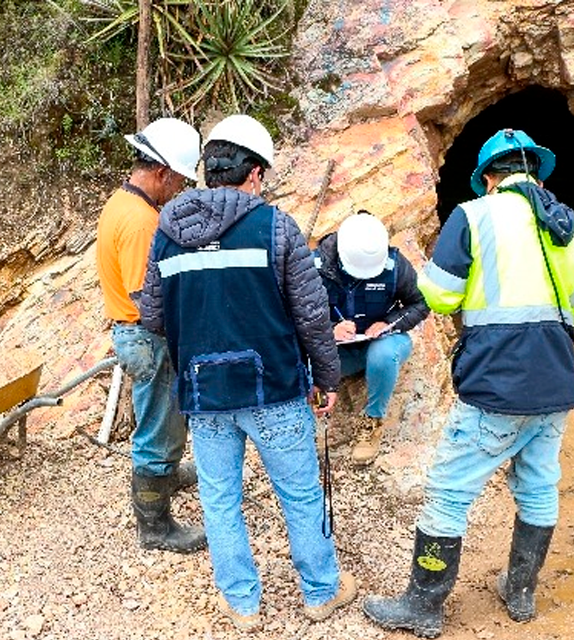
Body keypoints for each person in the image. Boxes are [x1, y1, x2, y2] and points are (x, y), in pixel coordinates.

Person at [362, 128, 574, 638]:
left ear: (489, 179)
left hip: (496, 383)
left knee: (449, 492)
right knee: (538, 486)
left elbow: (440, 295)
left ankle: (423, 606)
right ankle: (519, 592)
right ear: (534, 172)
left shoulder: (472, 216)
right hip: (555, 384)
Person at [139, 114, 357, 631]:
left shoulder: (166, 233)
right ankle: (321, 592)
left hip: (204, 395)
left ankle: (242, 605)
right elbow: (311, 314)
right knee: (299, 493)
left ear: (208, 169)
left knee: (220, 500)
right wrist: (327, 378)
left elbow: (152, 315)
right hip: (274, 389)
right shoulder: (276, 227)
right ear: (255, 173)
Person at [96, 117, 206, 554]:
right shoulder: (141, 221)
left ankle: (166, 473)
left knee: (166, 418)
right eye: (178, 180)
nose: (178, 189)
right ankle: (155, 526)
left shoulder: (123, 202)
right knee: (157, 427)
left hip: (135, 332)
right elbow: (148, 301)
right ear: (162, 172)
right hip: (145, 335)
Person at [314, 211, 429, 465]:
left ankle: (372, 421)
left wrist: (387, 324)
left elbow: (420, 304)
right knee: (299, 361)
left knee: (384, 353)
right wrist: (329, 328)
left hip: (378, 343)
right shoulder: (315, 267)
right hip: (335, 351)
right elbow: (296, 313)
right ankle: (310, 421)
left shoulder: (395, 265)